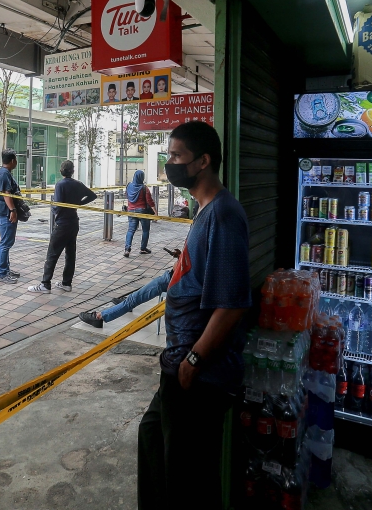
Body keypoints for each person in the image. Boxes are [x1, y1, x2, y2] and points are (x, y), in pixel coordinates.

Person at [137, 121, 251, 508]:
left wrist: (194, 360)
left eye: (176, 156)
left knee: (188, 479)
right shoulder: (205, 210)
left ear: (203, 161)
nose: (170, 164)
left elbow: (232, 304)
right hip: (181, 364)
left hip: (200, 373)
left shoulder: (223, 215)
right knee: (153, 441)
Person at [28, 160, 97, 294]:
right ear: (73, 171)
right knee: (70, 254)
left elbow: (58, 206)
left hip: (62, 224)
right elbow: (92, 195)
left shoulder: (60, 185)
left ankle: (45, 284)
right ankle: (66, 283)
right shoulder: (78, 184)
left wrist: (53, 209)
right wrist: (79, 204)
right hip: (73, 222)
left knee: (52, 254)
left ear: (61, 171)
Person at [80, 268, 172, 328]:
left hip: (170, 281)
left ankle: (99, 317)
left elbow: (180, 266)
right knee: (138, 295)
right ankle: (127, 304)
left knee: (133, 299)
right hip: (171, 279)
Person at [0, 149, 20, 284]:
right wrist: (13, 210)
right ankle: (1, 274)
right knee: (5, 243)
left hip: (3, 210)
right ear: (12, 161)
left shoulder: (3, 172)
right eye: (15, 160)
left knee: (7, 242)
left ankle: (5, 269)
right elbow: (6, 194)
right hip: (5, 212)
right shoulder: (4, 174)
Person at [124, 170, 155, 258]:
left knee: (130, 230)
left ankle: (127, 249)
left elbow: (127, 196)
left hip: (131, 211)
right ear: (142, 177)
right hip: (142, 212)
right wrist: (155, 212)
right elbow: (150, 201)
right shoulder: (144, 188)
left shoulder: (128, 186)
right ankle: (143, 248)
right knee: (145, 230)